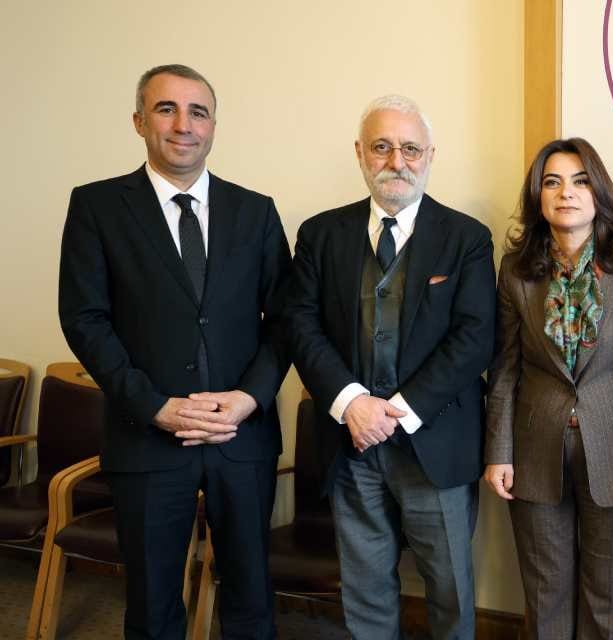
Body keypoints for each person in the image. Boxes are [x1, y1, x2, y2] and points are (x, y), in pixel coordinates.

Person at [58, 64, 291, 639]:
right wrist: (154, 406)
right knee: (152, 605)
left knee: (250, 599)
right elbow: (85, 320)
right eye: (167, 109)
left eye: (198, 112)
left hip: (242, 438)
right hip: (147, 437)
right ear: (139, 121)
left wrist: (249, 399)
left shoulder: (256, 210)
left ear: (213, 126)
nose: (184, 125)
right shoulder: (97, 206)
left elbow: (287, 321)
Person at [282, 94, 495, 639]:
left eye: (410, 149)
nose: (396, 161)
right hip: (351, 444)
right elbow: (300, 325)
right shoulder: (320, 234)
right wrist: (352, 402)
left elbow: (475, 338)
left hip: (435, 444)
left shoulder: (467, 237)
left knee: (449, 591)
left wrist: (398, 410)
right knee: (365, 590)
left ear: (430, 156)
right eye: (382, 147)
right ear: (360, 153)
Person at [484, 137, 613, 639]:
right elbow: (504, 367)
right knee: (545, 597)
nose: (566, 192)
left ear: (598, 192)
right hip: (534, 448)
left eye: (580, 181)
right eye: (553, 182)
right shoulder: (516, 270)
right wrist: (498, 451)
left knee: (609, 600)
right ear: (538, 196)